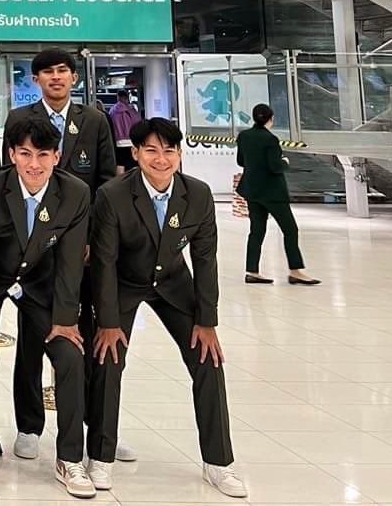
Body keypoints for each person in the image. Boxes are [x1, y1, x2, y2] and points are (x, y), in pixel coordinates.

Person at [89, 118, 247, 498]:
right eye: (152, 151)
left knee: (208, 360)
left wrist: (206, 320)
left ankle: (218, 462)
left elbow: (205, 259)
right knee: (108, 360)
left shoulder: (198, 194)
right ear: (137, 154)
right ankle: (100, 456)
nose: (161, 159)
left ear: (179, 154)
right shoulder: (112, 195)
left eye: (169, 150)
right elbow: (104, 262)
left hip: (175, 285)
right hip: (124, 283)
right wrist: (108, 321)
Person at [0, 115, 93, 499]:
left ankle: (70, 459)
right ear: (12, 154)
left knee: (69, 355)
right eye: (25, 154)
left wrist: (66, 320)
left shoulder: (76, 193)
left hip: (41, 282)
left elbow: (70, 263)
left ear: (57, 156)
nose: (34, 164)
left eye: (43, 155)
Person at [2, 48, 120, 464]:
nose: (56, 78)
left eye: (63, 71)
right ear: (36, 79)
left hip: (79, 250)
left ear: (74, 77)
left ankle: (91, 423)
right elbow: (9, 185)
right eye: (47, 72)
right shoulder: (20, 121)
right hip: (31, 253)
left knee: (79, 337)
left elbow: (106, 183)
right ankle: (29, 425)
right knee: (31, 340)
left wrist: (90, 239)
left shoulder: (93, 120)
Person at [237, 104, 320, 286]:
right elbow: (275, 167)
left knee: (256, 231)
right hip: (272, 192)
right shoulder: (270, 139)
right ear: (271, 119)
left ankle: (252, 270)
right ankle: (295, 270)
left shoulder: (244, 136)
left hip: (252, 191)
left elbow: (240, 161)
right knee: (290, 230)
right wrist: (285, 162)